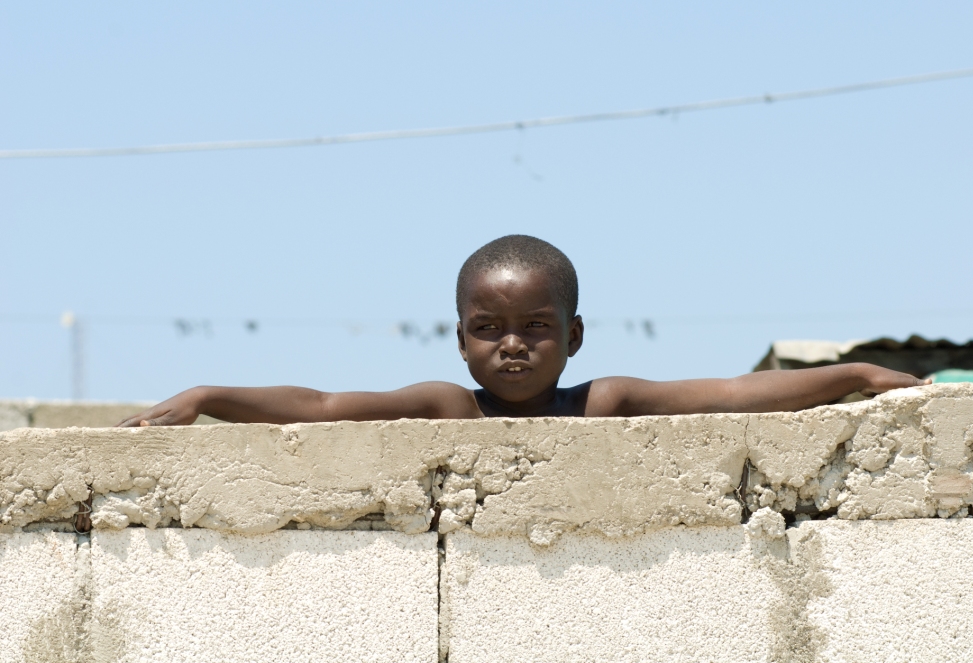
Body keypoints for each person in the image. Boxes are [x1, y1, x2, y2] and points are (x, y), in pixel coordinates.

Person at [117, 235, 927, 427]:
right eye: (488, 327)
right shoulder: (448, 408)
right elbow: (325, 403)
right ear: (461, 339)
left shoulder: (605, 402)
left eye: (536, 327)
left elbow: (733, 391)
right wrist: (207, 394)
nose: (512, 344)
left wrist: (854, 374)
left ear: (574, 335)